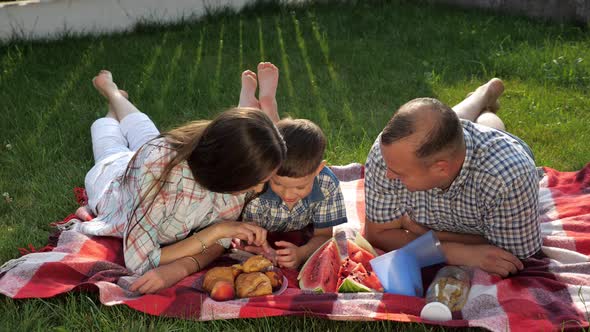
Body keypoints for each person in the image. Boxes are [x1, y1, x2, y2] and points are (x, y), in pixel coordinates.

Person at [70, 68, 286, 294]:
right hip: (113, 181)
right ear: (228, 168)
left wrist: (185, 264)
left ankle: (115, 96)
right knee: (110, 145)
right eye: (257, 181)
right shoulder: (161, 175)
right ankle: (112, 101)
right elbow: (139, 260)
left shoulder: (220, 169)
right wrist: (217, 231)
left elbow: (221, 241)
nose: (259, 189)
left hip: (159, 156)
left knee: (146, 133)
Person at [364, 78, 541, 277]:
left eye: (399, 173)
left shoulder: (507, 177)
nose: (388, 175)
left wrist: (425, 235)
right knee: (443, 126)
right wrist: (453, 252)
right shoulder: (389, 154)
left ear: (441, 169)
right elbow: (377, 234)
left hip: (496, 147)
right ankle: (482, 95)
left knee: (487, 123)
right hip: (451, 143)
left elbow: (511, 254)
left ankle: (486, 107)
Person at [237, 63, 348, 269]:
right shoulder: (257, 180)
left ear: (319, 169)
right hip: (265, 158)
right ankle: (247, 108)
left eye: (299, 187)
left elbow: (324, 235)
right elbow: (242, 231)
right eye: (278, 184)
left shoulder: (326, 183)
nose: (288, 194)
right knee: (248, 141)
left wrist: (302, 252)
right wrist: (253, 245)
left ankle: (268, 105)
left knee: (275, 139)